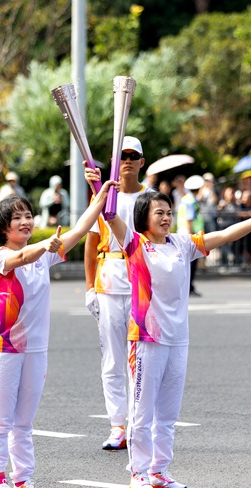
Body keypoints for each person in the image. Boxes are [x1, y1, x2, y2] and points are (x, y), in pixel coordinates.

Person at [93, 176, 251, 488]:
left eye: (168, 212)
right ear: (144, 218)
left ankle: (159, 470)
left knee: (167, 412)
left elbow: (222, 235)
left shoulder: (181, 244)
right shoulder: (135, 244)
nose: (165, 218)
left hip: (177, 338)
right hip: (146, 340)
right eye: (158, 213)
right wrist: (99, 188)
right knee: (142, 410)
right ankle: (137, 473)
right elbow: (110, 216)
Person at [0, 178, 117, 488]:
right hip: (5, 347)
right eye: (17, 218)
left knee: (25, 421)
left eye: (28, 215)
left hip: (36, 349)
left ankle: (24, 482)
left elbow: (79, 231)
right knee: (0, 419)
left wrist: (99, 200)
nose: (26, 221)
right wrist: (45, 246)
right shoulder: (0, 257)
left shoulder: (43, 254)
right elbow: (22, 258)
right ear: (3, 228)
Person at [83, 136, 151, 451]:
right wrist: (88, 288)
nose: (126, 160)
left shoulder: (150, 199)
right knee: (111, 359)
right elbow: (88, 241)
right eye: (121, 156)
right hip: (108, 282)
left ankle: (138, 424)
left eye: (132, 156)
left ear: (141, 161)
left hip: (140, 283)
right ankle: (117, 426)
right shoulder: (103, 196)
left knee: (138, 360)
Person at [178, 175, 205, 295]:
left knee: (189, 263)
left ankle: (189, 287)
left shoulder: (188, 198)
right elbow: (189, 219)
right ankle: (188, 288)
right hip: (189, 234)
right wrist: (192, 237)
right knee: (191, 263)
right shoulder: (190, 200)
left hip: (187, 233)